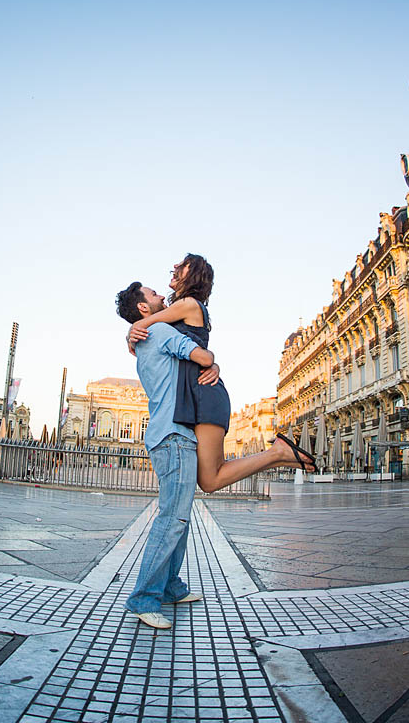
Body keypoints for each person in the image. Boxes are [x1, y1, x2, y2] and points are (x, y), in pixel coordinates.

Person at [116, 281, 313, 630]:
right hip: (174, 436)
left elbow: (188, 368)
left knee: (179, 517)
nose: (161, 294)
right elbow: (202, 357)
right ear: (145, 309)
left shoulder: (143, 341)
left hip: (167, 435)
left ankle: (171, 586)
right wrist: (213, 363)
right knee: (172, 519)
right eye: (153, 294)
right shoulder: (159, 330)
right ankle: (144, 597)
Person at [128, 255, 316, 493]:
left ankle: (277, 453)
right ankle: (280, 455)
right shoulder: (182, 309)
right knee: (208, 480)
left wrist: (130, 333)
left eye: (182, 265)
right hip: (199, 394)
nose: (174, 267)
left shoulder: (187, 303)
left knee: (211, 480)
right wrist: (212, 363)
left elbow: (144, 325)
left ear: (193, 274)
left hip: (205, 395)